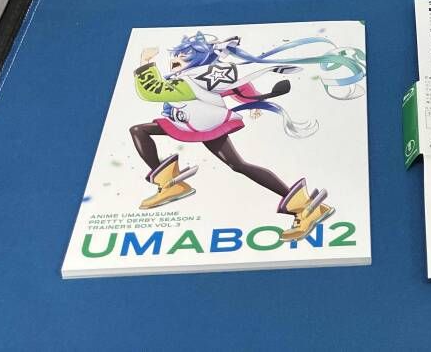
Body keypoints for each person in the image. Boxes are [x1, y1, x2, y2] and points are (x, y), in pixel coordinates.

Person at [127, 32, 337, 241]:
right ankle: (169, 185)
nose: (176, 59)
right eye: (177, 55)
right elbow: (233, 83)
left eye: (184, 56)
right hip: (187, 123)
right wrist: (254, 98)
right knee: (236, 164)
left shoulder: (189, 81)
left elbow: (153, 91)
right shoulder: (193, 77)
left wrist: (145, 62)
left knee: (238, 165)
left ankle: (305, 207)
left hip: (203, 124)